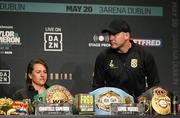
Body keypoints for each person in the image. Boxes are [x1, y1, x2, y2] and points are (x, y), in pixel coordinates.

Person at [92, 19, 160, 98]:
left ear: (126, 36)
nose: (110, 38)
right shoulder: (103, 57)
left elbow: (154, 85)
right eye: (109, 34)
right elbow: (97, 87)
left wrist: (145, 102)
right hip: (112, 105)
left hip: (139, 105)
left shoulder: (144, 55)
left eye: (114, 34)